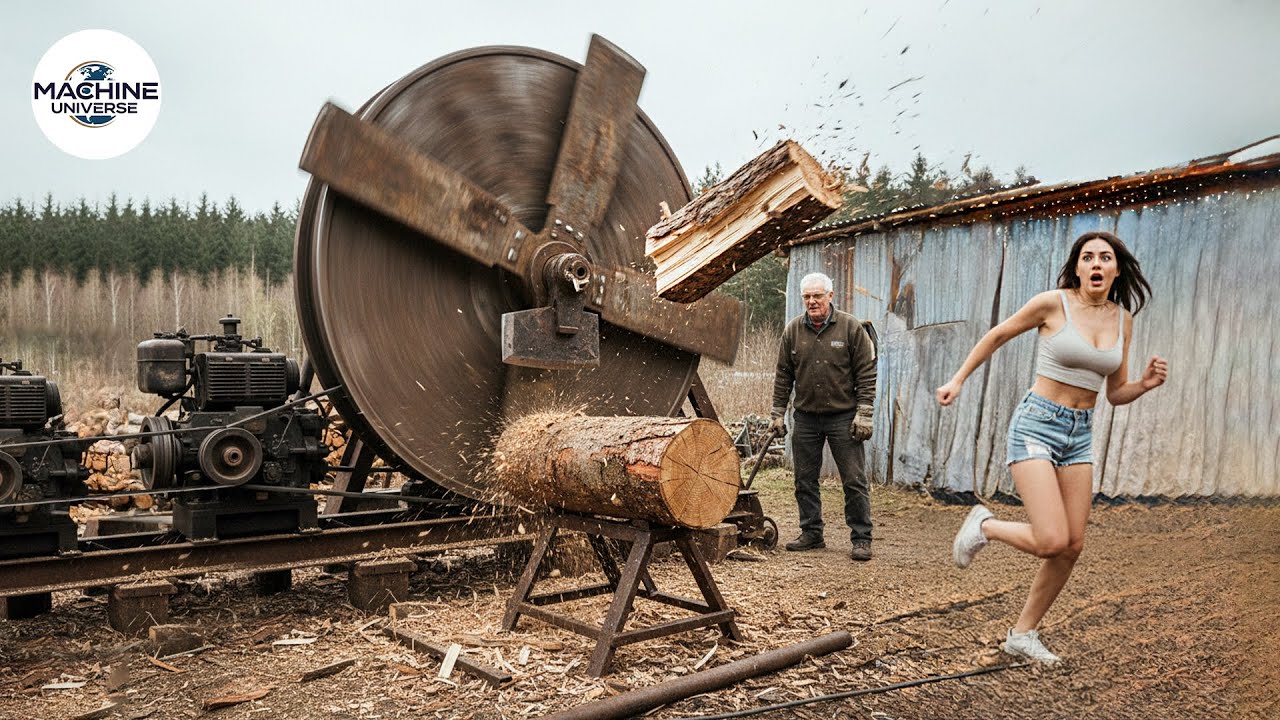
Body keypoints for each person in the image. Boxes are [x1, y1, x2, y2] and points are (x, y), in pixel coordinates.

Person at [937, 230, 1168, 665]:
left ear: (1117, 269)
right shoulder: (1053, 303)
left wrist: (1144, 385)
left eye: (1105, 257)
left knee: (1072, 545)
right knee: (1050, 539)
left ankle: (1022, 634)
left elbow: (1115, 392)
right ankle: (985, 526)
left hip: (1080, 432)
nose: (1096, 264)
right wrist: (958, 379)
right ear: (1077, 267)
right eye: (1087, 257)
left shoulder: (1123, 319)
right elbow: (999, 335)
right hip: (1037, 424)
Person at [770, 272, 877, 561]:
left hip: (843, 417)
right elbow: (783, 375)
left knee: (853, 479)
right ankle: (812, 533)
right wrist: (778, 413)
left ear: (830, 296)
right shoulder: (793, 330)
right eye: (807, 296)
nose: (812, 301)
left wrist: (864, 414)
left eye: (817, 295)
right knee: (804, 479)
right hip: (805, 417)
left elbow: (866, 374)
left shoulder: (851, 328)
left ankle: (861, 538)